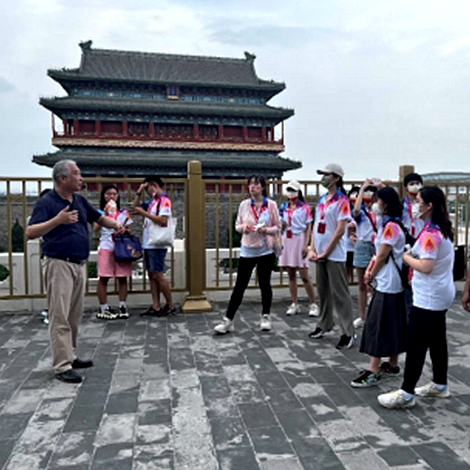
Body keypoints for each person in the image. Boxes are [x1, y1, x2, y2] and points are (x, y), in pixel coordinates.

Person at [26, 160, 123, 383]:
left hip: (79, 264)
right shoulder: (47, 202)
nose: (81, 178)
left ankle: (70, 355)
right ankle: (62, 365)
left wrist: (116, 224)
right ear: (63, 178)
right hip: (59, 263)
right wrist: (57, 220)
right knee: (59, 315)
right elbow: (31, 232)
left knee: (74, 315)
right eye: (77, 174)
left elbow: (98, 217)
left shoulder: (79, 200)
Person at [378, 186, 455, 408]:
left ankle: (406, 392)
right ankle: (439, 383)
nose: (414, 205)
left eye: (418, 201)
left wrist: (406, 258)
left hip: (429, 297)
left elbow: (426, 266)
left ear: (429, 206)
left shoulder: (431, 233)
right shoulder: (438, 228)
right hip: (438, 292)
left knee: (416, 343)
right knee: (437, 340)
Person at [351, 186, 407, 388]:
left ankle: (373, 370)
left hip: (387, 282)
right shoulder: (392, 224)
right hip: (392, 282)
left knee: (378, 323)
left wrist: (372, 274)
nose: (375, 204)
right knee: (393, 322)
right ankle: (392, 363)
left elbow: (382, 255)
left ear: (386, 203)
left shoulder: (391, 226)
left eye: (378, 200)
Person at [214, 175, 281, 334]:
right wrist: (243, 227)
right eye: (250, 184)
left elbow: (277, 227)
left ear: (263, 187)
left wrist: (265, 230)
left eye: (256, 184)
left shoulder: (271, 205)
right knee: (240, 286)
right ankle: (228, 320)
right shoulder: (244, 205)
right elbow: (237, 225)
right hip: (248, 249)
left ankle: (266, 316)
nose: (252, 187)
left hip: (265, 249)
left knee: (265, 283)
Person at [308, 163, 354, 349]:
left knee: (340, 294)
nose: (323, 178)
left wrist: (326, 252)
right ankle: (324, 323)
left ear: (336, 178)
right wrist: (312, 248)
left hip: (334, 254)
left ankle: (347, 332)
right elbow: (315, 225)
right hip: (320, 253)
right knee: (323, 291)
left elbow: (340, 230)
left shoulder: (342, 201)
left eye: (326, 175)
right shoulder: (322, 199)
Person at [131, 176, 176, 317]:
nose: (148, 192)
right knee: (151, 275)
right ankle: (156, 305)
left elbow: (163, 220)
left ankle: (170, 304)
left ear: (154, 185)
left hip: (157, 243)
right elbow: (135, 208)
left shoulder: (164, 201)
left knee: (158, 274)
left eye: (148, 188)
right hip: (148, 243)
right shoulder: (152, 202)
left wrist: (144, 213)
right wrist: (139, 192)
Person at [278, 180, 319, 317]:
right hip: (287, 239)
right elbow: (280, 224)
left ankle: (313, 303)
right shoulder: (283, 207)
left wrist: (305, 244)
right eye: (289, 190)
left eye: (293, 190)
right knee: (290, 273)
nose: (291, 193)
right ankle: (294, 303)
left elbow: (308, 227)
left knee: (304, 274)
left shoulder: (304, 207)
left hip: (299, 238)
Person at [95, 184, 132, 320]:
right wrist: (105, 214)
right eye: (108, 194)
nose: (111, 196)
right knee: (104, 277)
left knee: (122, 277)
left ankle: (122, 305)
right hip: (106, 246)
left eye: (114, 194)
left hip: (120, 247)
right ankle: (103, 307)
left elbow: (129, 229)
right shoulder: (99, 212)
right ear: (103, 196)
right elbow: (96, 228)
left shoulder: (123, 212)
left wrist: (124, 230)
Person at [352, 181, 379, 328]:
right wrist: (362, 189)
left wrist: (381, 187)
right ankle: (362, 316)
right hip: (362, 245)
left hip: (377, 247)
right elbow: (355, 210)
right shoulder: (361, 212)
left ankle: (375, 316)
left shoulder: (380, 211)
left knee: (377, 283)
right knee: (362, 283)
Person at [402, 172, 425, 314]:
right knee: (407, 278)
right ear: (406, 187)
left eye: (417, 183)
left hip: (423, 241)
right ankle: (408, 311)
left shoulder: (426, 203)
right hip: (407, 243)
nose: (415, 186)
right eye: (411, 184)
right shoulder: (402, 205)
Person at [345, 187, 360, 284]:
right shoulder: (346, 211)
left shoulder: (363, 212)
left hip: (359, 244)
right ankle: (347, 283)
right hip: (347, 244)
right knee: (347, 267)